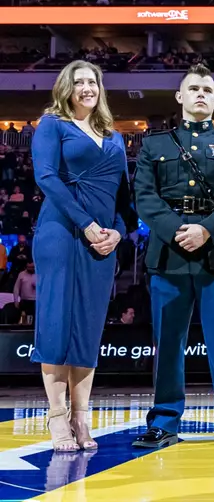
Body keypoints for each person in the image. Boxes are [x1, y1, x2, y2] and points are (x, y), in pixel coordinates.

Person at [132, 64, 214, 451]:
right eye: (194, 88)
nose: (200, 93)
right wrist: (175, 230)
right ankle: (164, 420)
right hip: (169, 253)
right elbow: (145, 197)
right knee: (168, 340)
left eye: (207, 89)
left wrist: (207, 229)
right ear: (179, 97)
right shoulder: (154, 144)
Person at [31, 61, 131, 452]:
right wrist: (87, 224)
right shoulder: (52, 125)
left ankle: (81, 417)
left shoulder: (115, 137)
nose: (87, 88)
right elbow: (46, 178)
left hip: (102, 241)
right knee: (57, 320)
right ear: (66, 88)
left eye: (93, 81)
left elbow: (124, 198)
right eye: (79, 82)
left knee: (88, 327)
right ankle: (57, 419)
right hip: (60, 232)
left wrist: (118, 232)